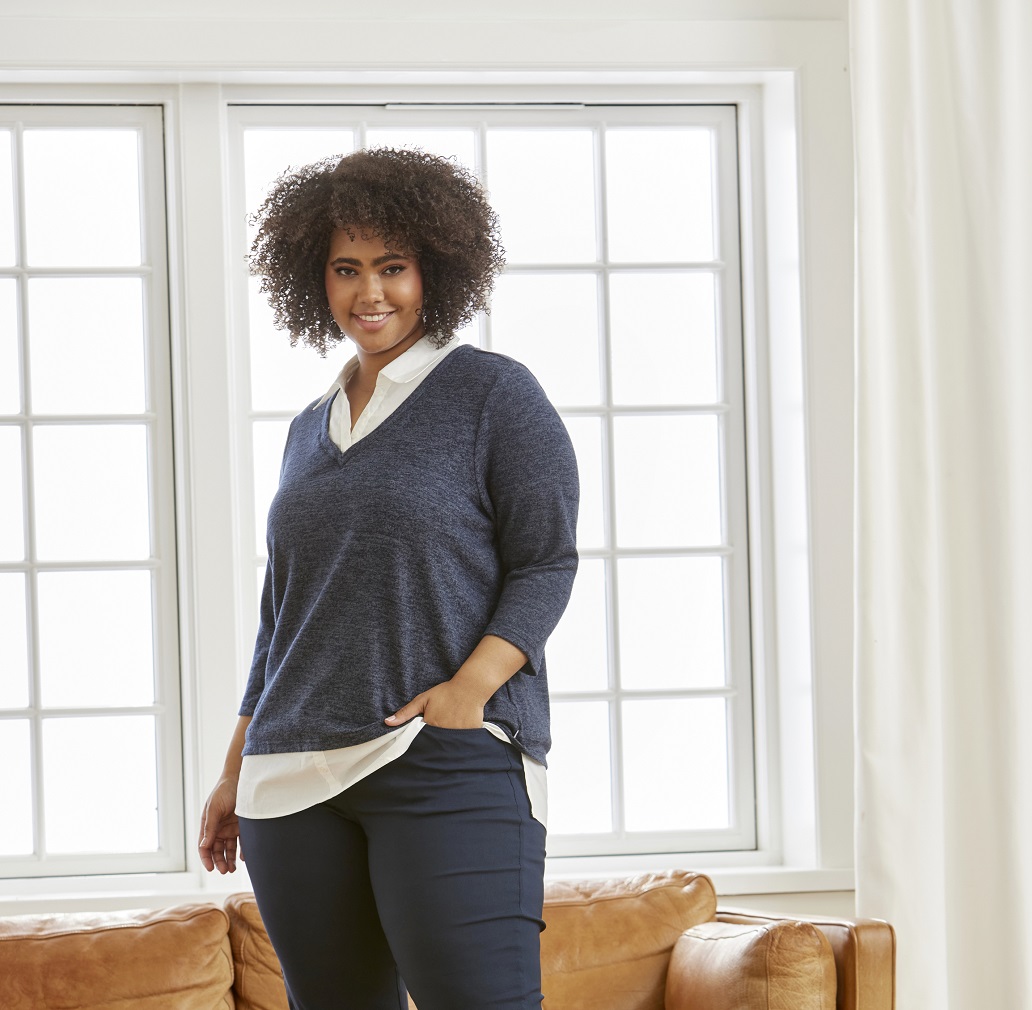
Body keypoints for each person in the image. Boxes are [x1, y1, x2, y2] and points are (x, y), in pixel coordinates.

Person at [197, 147, 579, 1010]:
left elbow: (545, 561)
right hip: (290, 778)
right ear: (316, 278)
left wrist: (469, 693)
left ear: (434, 270)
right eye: (346, 269)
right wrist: (234, 768)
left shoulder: (494, 395)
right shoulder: (308, 428)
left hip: (437, 759)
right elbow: (282, 615)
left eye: (392, 267)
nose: (370, 293)